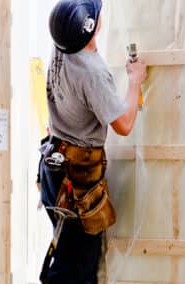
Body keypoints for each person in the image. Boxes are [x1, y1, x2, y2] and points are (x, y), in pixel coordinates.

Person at [37, 0, 147, 283]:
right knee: (78, 267)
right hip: (78, 180)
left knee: (66, 251)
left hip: (53, 166)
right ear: (92, 28)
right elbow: (123, 124)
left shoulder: (61, 42)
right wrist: (135, 82)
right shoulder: (93, 73)